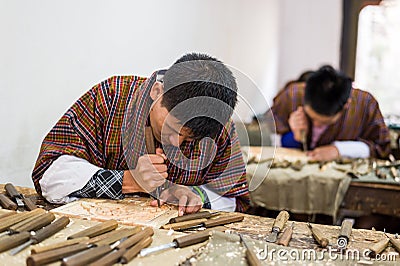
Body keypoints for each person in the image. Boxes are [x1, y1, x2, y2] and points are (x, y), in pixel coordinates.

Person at [32, 53, 250, 215]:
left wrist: (193, 195)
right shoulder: (110, 97)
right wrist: (128, 180)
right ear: (157, 91)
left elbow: (232, 198)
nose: (175, 143)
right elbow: (50, 176)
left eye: (189, 139)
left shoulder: (216, 126)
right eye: (172, 128)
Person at [270, 65, 390, 161]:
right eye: (312, 118)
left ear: (346, 105)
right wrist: (294, 137)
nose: (316, 124)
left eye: (323, 122)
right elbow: (266, 140)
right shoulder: (292, 95)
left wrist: (339, 150)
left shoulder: (365, 104)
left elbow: (381, 148)